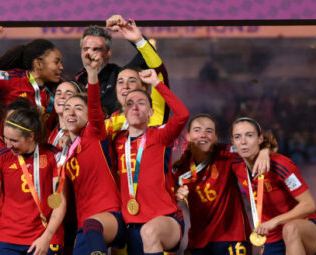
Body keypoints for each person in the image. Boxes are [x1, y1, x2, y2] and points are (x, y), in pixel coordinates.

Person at [113, 69, 188, 255]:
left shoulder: (160, 136)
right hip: (131, 224)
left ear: (151, 112)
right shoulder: (117, 141)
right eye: (129, 104)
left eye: (141, 103)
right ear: (124, 111)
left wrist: (157, 83)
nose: (135, 107)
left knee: (150, 232)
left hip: (165, 218)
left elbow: (182, 115)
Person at [170, 114, 270, 255]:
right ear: (188, 136)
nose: (203, 134)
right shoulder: (180, 168)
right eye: (197, 130)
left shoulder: (226, 154)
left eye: (209, 131)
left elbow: (252, 145)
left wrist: (264, 151)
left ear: (216, 138)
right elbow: (166, 198)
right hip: (199, 241)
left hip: (232, 237)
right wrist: (176, 193)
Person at [59, 50, 125, 253]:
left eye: (79, 108)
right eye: (68, 107)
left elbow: (95, 104)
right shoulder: (64, 150)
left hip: (109, 217)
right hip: (83, 227)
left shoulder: (94, 134)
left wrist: (92, 72)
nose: (71, 112)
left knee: (92, 225)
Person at [230, 117, 316, 255]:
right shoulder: (235, 163)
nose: (243, 141)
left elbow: (309, 205)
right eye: (238, 137)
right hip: (272, 236)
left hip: (305, 227)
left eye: (249, 135)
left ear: (260, 139)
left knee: (290, 229)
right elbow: (207, 147)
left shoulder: (281, 165)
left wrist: (274, 221)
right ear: (233, 142)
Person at [0, 107, 66, 255]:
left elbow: (59, 200)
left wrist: (47, 236)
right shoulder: (1, 157)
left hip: (45, 236)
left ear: (31, 136)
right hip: (9, 238)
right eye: (6, 138)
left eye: (14, 140)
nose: (8, 145)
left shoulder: (53, 156)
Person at [75, 16, 168, 117]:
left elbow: (147, 58)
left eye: (96, 49)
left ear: (108, 53)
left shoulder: (120, 76)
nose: (89, 53)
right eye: (86, 49)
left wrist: (136, 38)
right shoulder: (77, 81)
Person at [47, 81, 81, 152]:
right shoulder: (52, 131)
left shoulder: (82, 132)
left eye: (68, 93)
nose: (61, 96)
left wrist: (73, 138)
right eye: (58, 93)